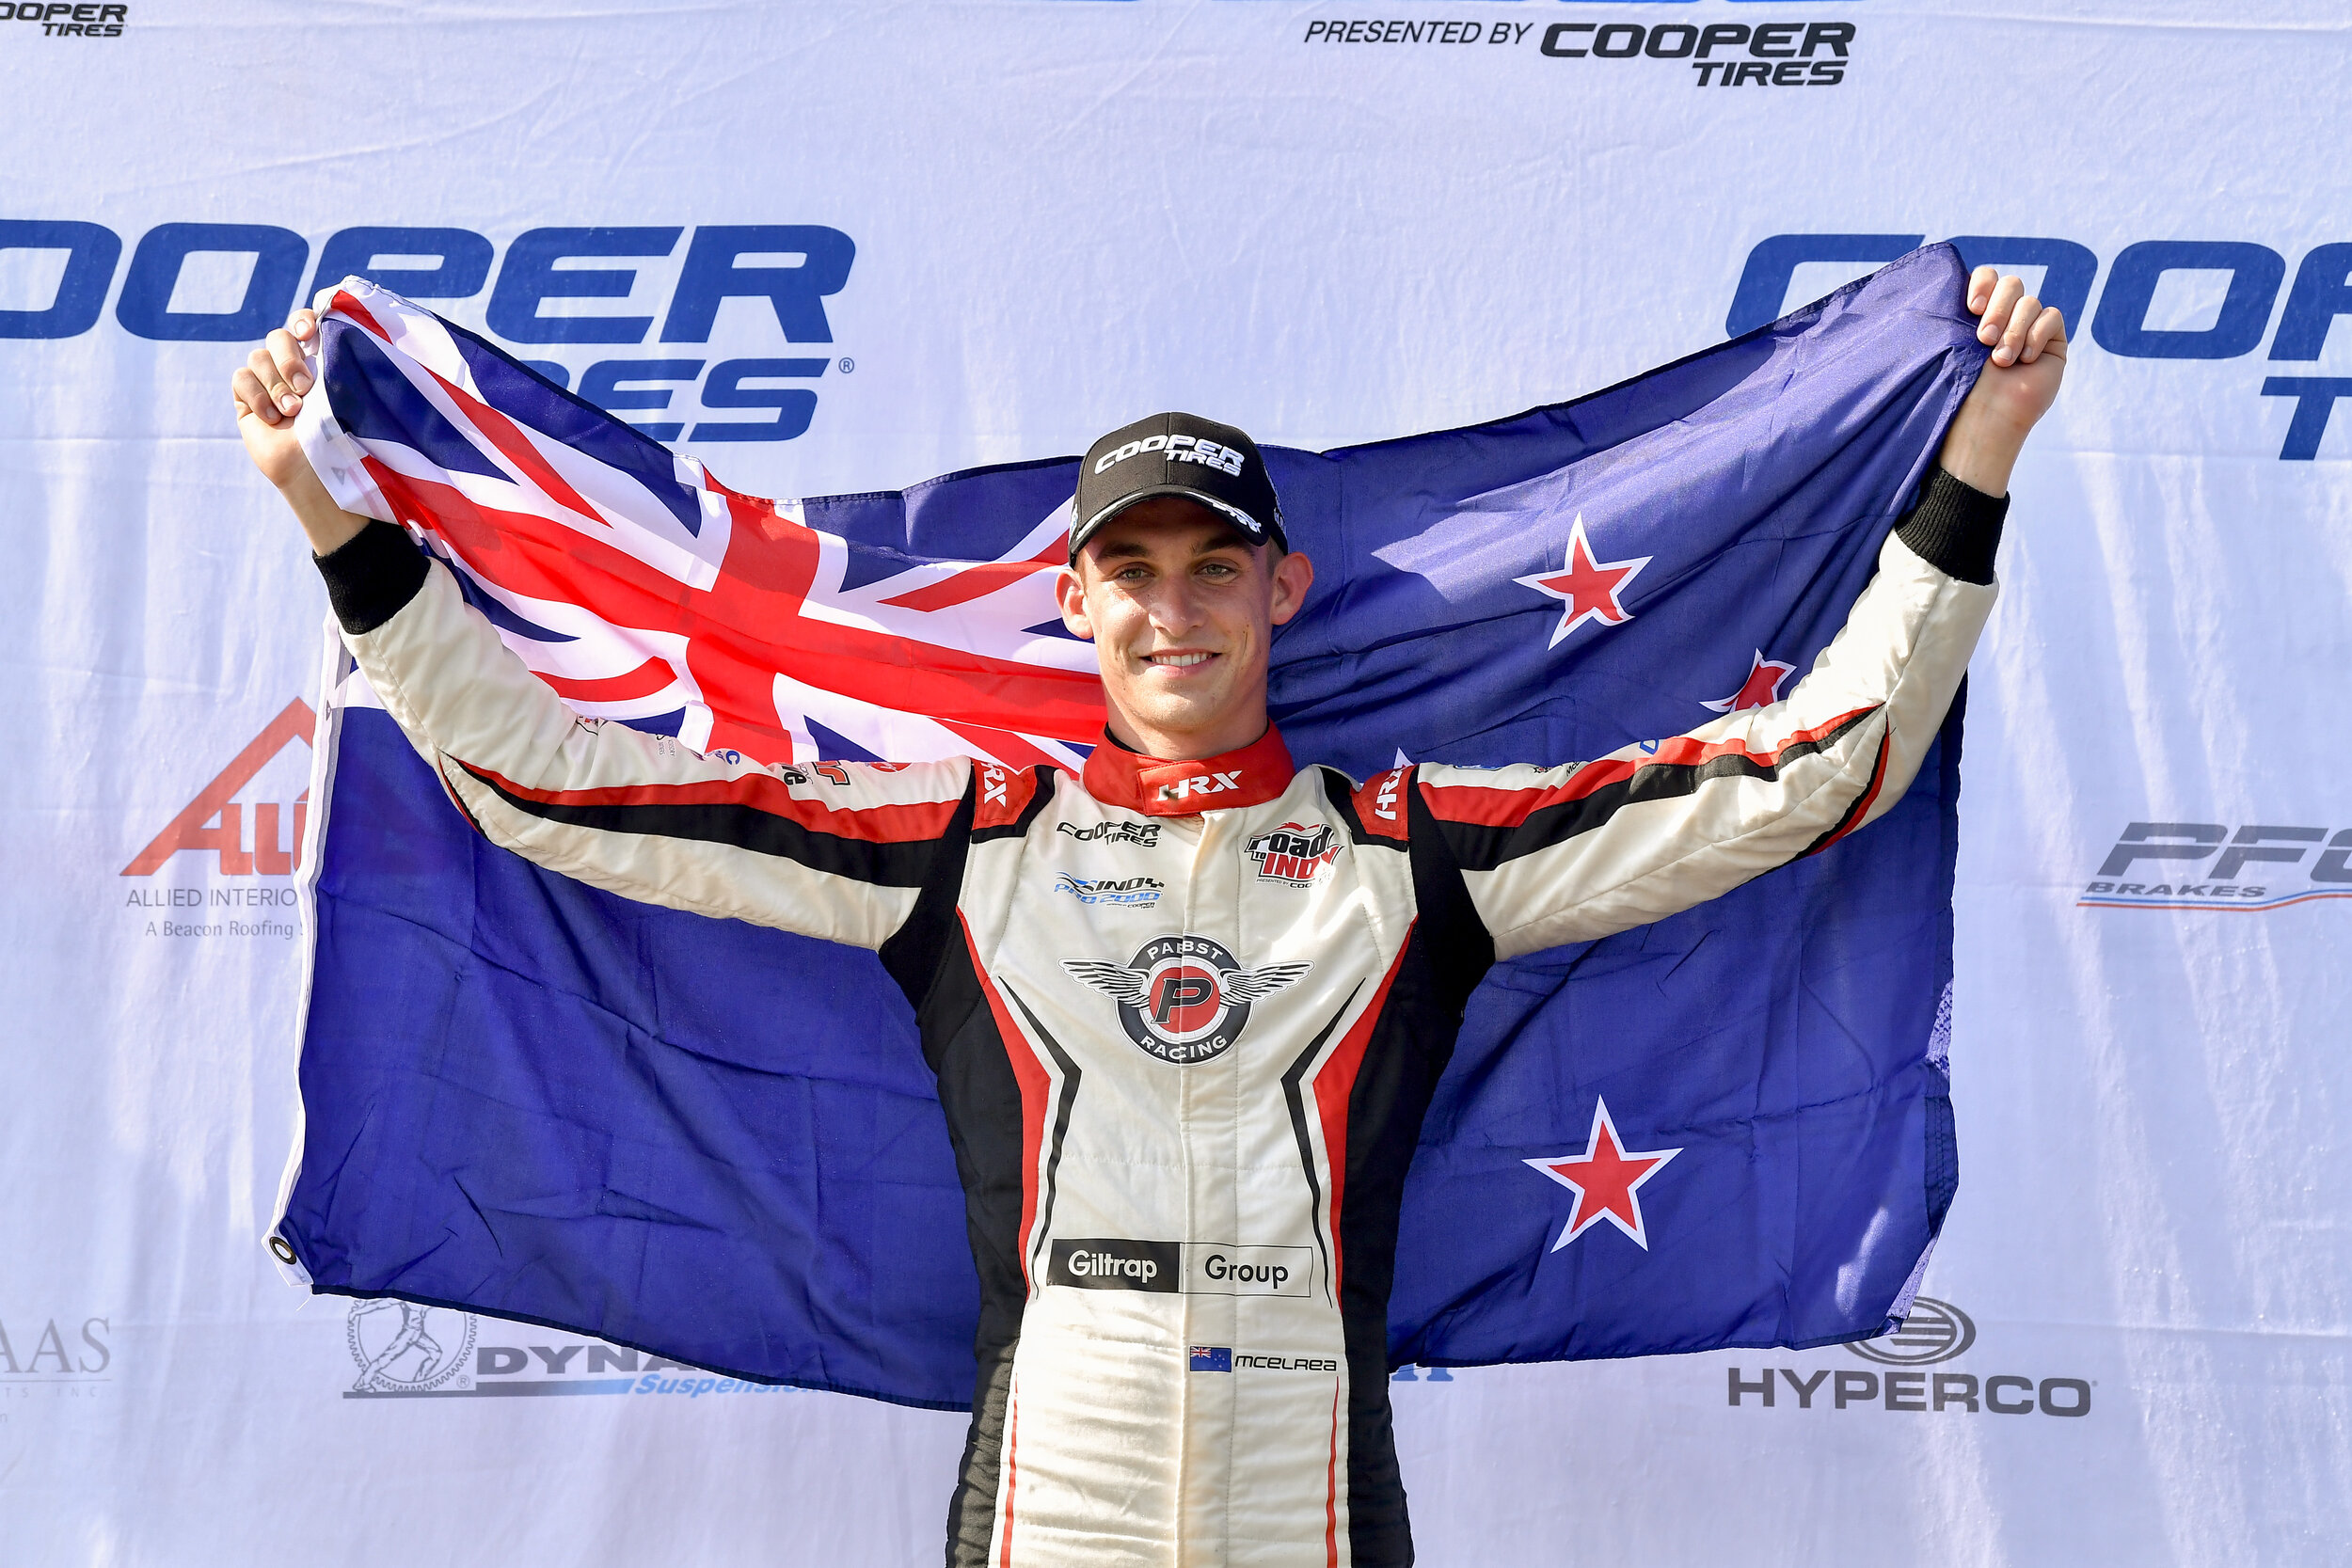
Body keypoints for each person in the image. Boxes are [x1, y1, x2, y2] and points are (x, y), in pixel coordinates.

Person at [232, 267, 2065, 1568]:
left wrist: (1970, 453)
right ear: (1077, 602)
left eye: (1208, 568)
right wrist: (335, 517)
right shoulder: (961, 836)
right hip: (1057, 1477)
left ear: (1280, 588)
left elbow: (1814, 769)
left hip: (1310, 1485)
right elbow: (547, 779)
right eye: (1128, 571)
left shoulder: (1410, 849)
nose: (1169, 607)